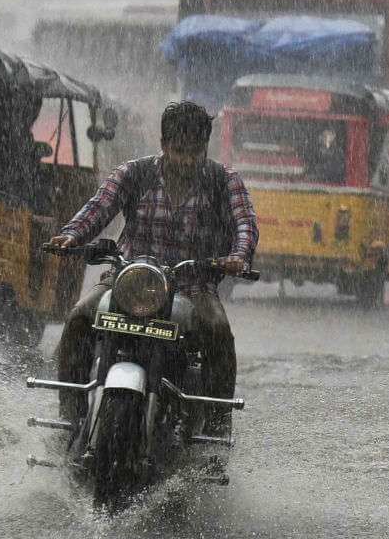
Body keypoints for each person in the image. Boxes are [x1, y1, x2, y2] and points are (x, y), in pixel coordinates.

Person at [49, 101, 259, 439]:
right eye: (178, 150)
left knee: (219, 333)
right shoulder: (134, 173)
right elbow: (98, 209)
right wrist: (72, 235)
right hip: (126, 279)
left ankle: (217, 433)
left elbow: (245, 224)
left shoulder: (224, 181)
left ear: (204, 148)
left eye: (194, 152)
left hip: (193, 286)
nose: (186, 160)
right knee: (77, 320)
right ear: (163, 144)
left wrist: (239, 255)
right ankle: (69, 419)